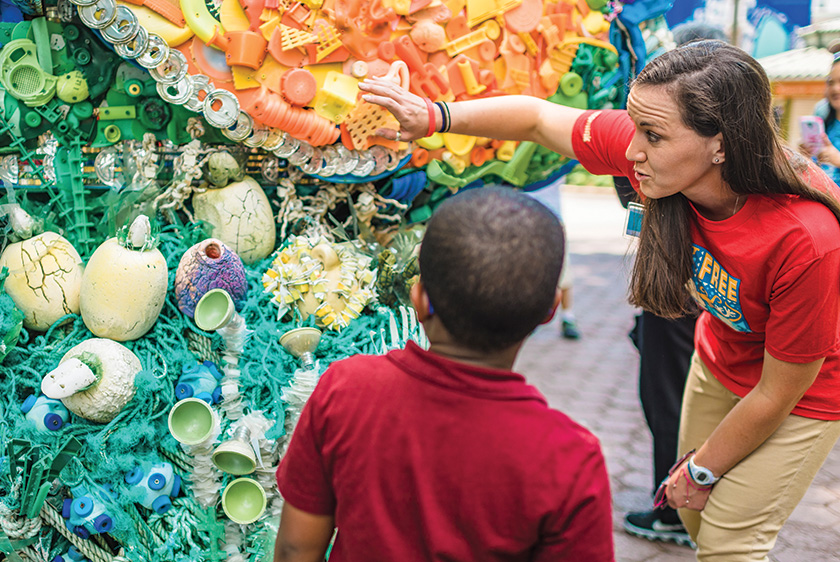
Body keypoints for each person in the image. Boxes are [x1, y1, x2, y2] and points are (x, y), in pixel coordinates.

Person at [360, 39, 840, 561]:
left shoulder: (807, 238)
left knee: (730, 539)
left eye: (652, 136)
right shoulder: (661, 150)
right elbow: (539, 120)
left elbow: (778, 391)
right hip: (720, 356)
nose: (631, 151)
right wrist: (432, 115)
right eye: (636, 128)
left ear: (720, 144)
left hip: (802, 392)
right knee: (692, 515)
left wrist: (703, 467)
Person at [274, 188, 614, 561]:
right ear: (549, 312)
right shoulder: (570, 459)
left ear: (418, 299)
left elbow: (296, 548)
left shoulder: (346, 389)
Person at [622, 21, 726, 547]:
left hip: (683, 300)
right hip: (690, 301)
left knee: (672, 398)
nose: (639, 147)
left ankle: (678, 507)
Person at [525, 177, 581, 339]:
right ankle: (531, 317)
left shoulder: (557, 161)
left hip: (553, 218)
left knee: (563, 270)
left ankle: (568, 316)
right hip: (524, 218)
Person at [798, 48, 840, 184]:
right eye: (831, 82)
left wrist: (837, 159)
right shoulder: (822, 114)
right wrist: (805, 157)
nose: (835, 89)